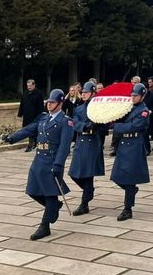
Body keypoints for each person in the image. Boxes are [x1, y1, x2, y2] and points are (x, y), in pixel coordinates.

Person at [1, 89, 73, 240]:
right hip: (39, 160)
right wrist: (11, 138)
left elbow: (65, 146)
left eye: (52, 102)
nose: (49, 104)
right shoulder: (43, 117)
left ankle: (44, 226)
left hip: (52, 161)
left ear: (60, 103)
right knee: (32, 190)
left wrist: (59, 164)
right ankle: (54, 206)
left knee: (50, 194)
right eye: (48, 102)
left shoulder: (65, 121)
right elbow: (29, 129)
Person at [110, 82, 151, 221]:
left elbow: (133, 126)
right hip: (124, 144)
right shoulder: (129, 107)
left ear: (142, 96)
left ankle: (127, 209)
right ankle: (131, 191)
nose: (133, 98)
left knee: (129, 179)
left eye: (136, 96)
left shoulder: (143, 111)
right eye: (132, 95)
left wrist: (117, 127)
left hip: (134, 144)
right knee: (116, 176)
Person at [67, 81, 105, 216]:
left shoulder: (99, 108)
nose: (83, 94)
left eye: (86, 92)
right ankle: (89, 191)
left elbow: (104, 125)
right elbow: (75, 122)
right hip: (80, 141)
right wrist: (85, 126)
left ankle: (84, 204)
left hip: (92, 141)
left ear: (93, 93)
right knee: (74, 173)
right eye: (82, 92)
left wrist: (96, 124)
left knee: (88, 175)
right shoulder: (79, 108)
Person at [17, 79, 45, 152]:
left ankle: (32, 144)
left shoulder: (38, 93)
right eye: (28, 86)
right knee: (28, 130)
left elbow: (41, 106)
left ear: (34, 85)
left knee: (34, 130)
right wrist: (20, 114)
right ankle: (32, 143)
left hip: (35, 116)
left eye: (30, 86)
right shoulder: (25, 93)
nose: (29, 87)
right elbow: (22, 104)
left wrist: (41, 115)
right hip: (27, 115)